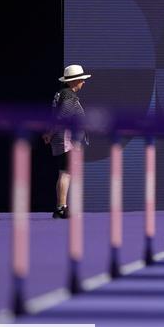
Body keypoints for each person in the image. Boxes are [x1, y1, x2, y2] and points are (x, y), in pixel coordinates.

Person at [43, 65, 91, 219]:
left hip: (63, 138)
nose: (83, 82)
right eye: (81, 80)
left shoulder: (63, 93)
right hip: (66, 138)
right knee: (66, 173)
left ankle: (61, 207)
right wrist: (50, 132)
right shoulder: (68, 95)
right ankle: (61, 208)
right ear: (74, 81)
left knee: (64, 173)